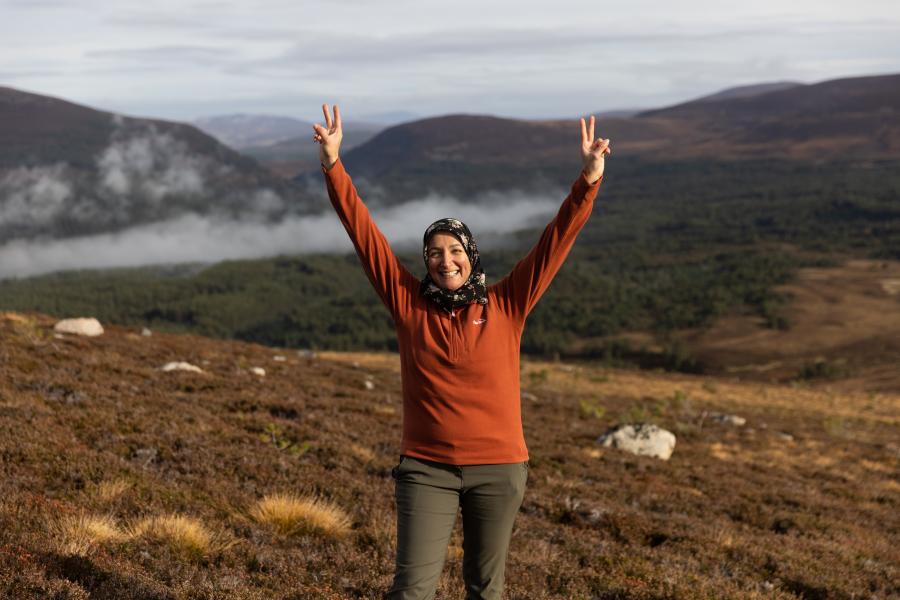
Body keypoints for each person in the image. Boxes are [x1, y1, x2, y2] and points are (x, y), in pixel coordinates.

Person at [312, 104, 609, 600]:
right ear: (425, 261)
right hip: (426, 469)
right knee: (411, 592)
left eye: (454, 251)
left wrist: (588, 180)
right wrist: (333, 165)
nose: (444, 260)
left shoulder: (508, 303)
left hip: (500, 469)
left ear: (470, 257)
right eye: (434, 253)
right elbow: (366, 239)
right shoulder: (408, 304)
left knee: (485, 590)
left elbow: (555, 242)